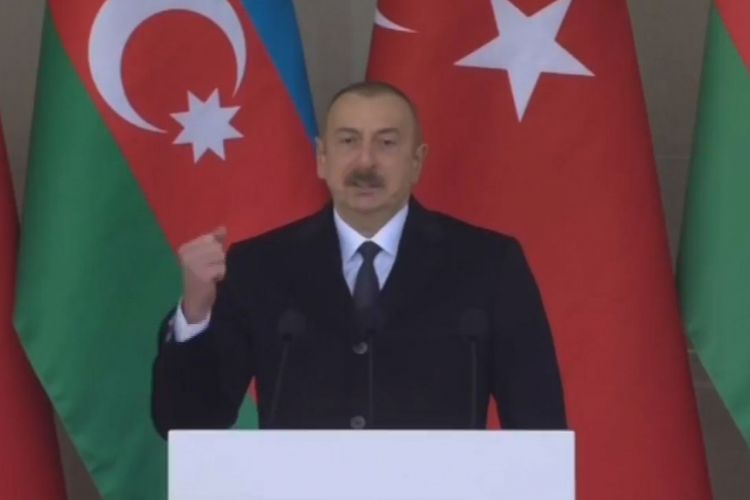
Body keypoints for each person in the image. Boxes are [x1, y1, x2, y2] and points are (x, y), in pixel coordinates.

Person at [152, 81, 566, 435]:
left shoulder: (488, 264)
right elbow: (187, 424)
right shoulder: (260, 266)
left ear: (417, 161)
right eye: (348, 141)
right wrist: (196, 312)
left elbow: (540, 428)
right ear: (322, 158)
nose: (365, 161)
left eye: (386, 143)